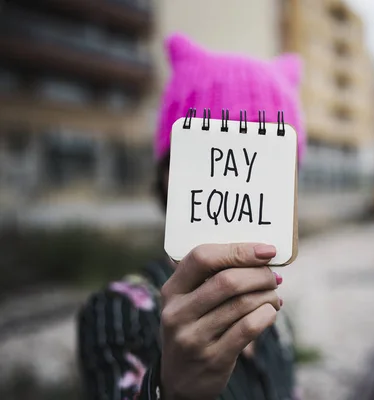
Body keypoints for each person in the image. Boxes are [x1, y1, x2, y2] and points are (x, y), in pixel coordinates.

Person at [76, 33, 307, 400]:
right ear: (169, 175)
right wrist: (174, 391)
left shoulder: (275, 323)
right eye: (216, 155)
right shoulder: (119, 314)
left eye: (266, 163)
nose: (238, 181)